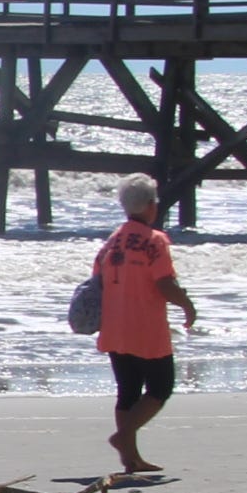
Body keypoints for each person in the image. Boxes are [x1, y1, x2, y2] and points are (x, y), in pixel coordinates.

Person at [94, 177, 198, 474]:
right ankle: (123, 438)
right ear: (151, 206)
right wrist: (187, 306)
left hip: (114, 324)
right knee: (160, 388)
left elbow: (97, 282)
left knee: (127, 390)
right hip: (146, 326)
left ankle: (131, 459)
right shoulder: (155, 240)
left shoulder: (111, 241)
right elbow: (164, 283)